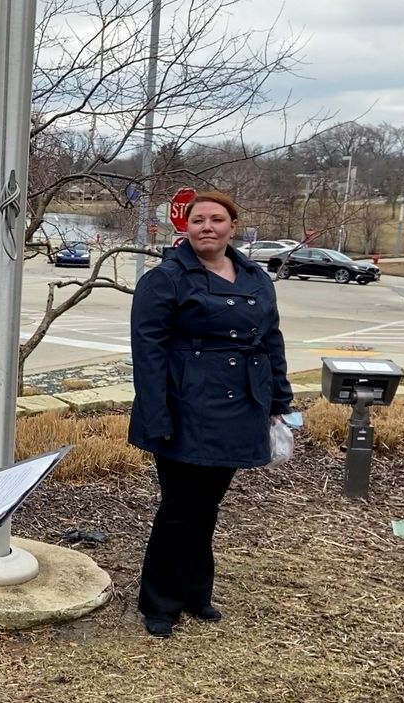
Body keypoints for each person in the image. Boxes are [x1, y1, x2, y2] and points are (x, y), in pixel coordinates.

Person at [127, 190, 293, 639]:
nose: (207, 226)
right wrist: (157, 416)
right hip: (185, 407)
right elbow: (148, 353)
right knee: (181, 507)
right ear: (186, 227)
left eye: (216, 219)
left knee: (206, 506)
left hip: (242, 406)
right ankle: (160, 602)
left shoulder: (255, 277)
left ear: (231, 226)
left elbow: (271, 341)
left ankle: (195, 593)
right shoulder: (165, 279)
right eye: (198, 219)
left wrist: (279, 401)